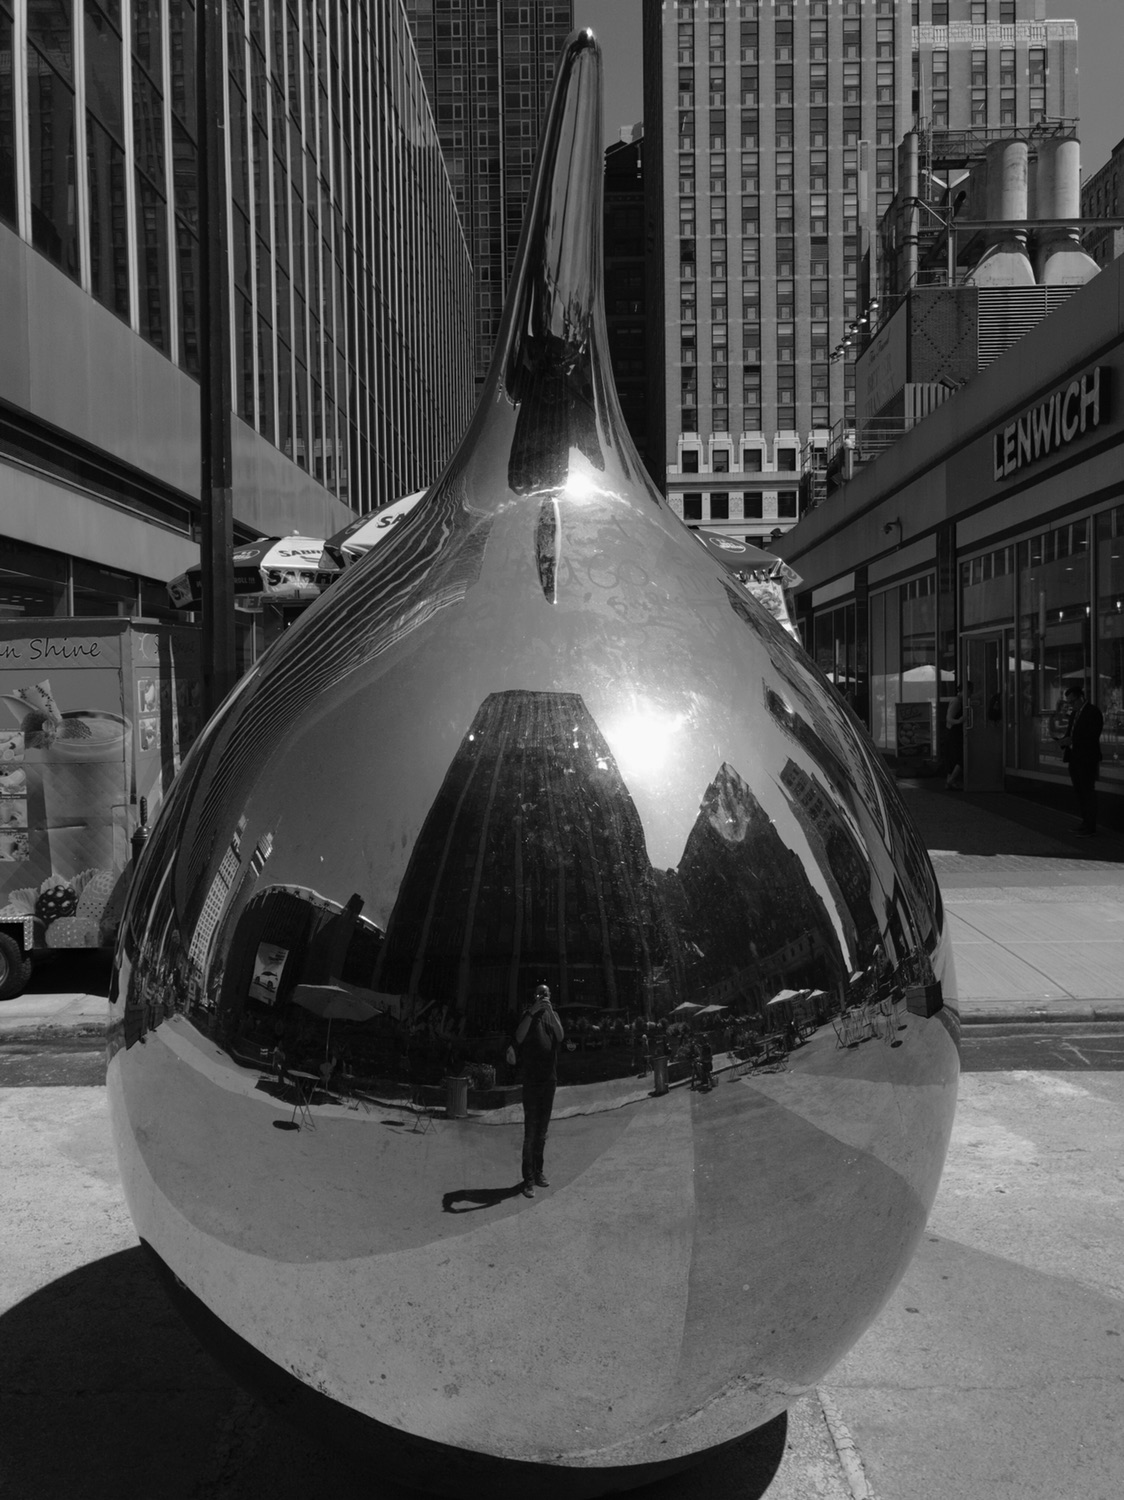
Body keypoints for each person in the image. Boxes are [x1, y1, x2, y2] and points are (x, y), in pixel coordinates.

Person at [513, 983, 564, 1198]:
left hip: (549, 1080)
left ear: (550, 996)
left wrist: (550, 1012)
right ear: (534, 996)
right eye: (540, 994)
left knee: (542, 1133)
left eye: (546, 994)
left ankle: (538, 1172)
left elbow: (560, 1036)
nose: (543, 997)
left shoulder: (553, 1016)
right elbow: (518, 1037)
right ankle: (528, 1180)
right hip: (532, 1082)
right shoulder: (528, 1015)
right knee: (530, 1134)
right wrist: (532, 1011)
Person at [1059, 683, 1104, 835]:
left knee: (1087, 791)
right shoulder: (1074, 714)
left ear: (1081, 698)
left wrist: (1072, 740)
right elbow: (1070, 732)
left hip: (1087, 758)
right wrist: (1063, 741)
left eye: (1072, 702)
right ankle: (1085, 822)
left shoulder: (1092, 712)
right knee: (1079, 791)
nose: (1071, 705)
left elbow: (1092, 735)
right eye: (1069, 703)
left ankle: (1090, 826)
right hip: (1074, 757)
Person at [945, 681, 968, 789]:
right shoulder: (957, 701)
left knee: (954, 757)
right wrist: (959, 721)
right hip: (954, 732)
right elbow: (949, 718)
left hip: (953, 732)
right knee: (960, 757)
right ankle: (951, 780)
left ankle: (950, 780)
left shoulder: (959, 700)